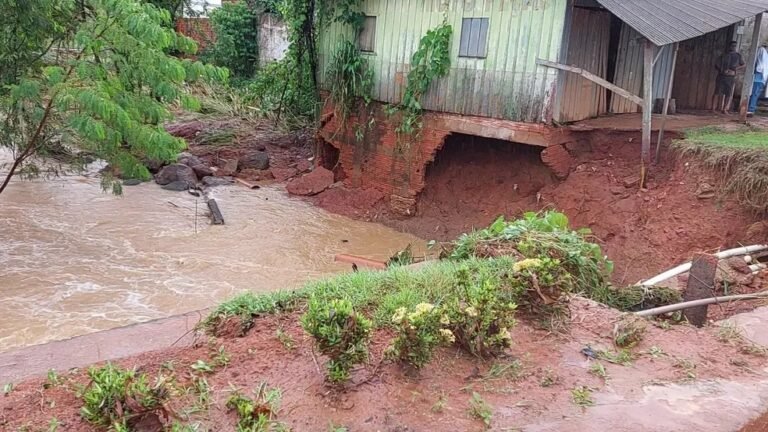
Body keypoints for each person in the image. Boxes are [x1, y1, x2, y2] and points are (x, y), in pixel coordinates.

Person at [713, 41, 745, 114]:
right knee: (717, 92)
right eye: (732, 46)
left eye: (734, 46)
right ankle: (713, 109)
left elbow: (743, 64)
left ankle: (724, 109)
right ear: (729, 46)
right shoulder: (723, 55)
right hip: (721, 75)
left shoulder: (738, 56)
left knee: (728, 93)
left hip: (731, 77)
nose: (733, 47)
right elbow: (716, 64)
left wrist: (735, 69)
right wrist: (722, 70)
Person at [748, 44, 768, 115]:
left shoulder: (762, 51)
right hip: (761, 78)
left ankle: (751, 109)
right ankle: (751, 108)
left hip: (759, 77)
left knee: (754, 93)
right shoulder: (764, 53)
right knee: (755, 94)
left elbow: (759, 63)